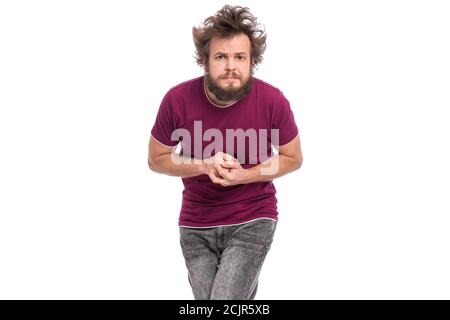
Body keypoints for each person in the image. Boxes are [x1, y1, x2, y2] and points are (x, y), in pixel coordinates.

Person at [147, 5, 303, 300]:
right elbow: (157, 158)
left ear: (252, 61)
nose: (231, 65)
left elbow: (292, 157)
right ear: (204, 61)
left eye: (240, 57)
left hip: (253, 218)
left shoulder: (272, 101)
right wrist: (204, 165)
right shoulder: (176, 100)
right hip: (195, 224)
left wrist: (246, 174)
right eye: (221, 57)